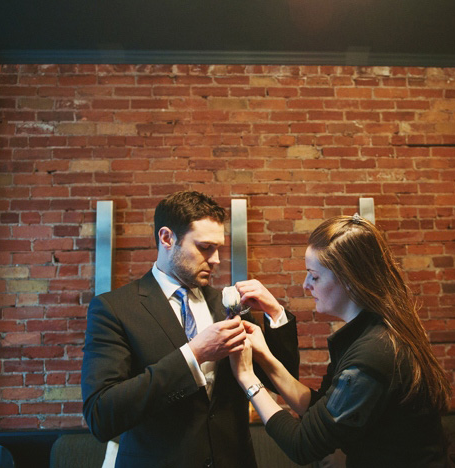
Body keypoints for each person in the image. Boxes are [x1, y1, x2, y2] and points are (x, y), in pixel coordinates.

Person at [81, 190, 299, 468]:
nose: (217, 259)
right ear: (167, 238)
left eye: (218, 248)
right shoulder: (114, 309)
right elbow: (101, 416)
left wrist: (276, 314)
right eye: (205, 247)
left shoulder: (227, 304)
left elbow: (282, 381)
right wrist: (193, 355)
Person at [230, 214, 452, 467]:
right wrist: (264, 357)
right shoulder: (366, 332)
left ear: (349, 280)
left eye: (314, 276)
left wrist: (247, 377)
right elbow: (318, 410)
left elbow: (302, 445)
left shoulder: (374, 352)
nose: (305, 285)